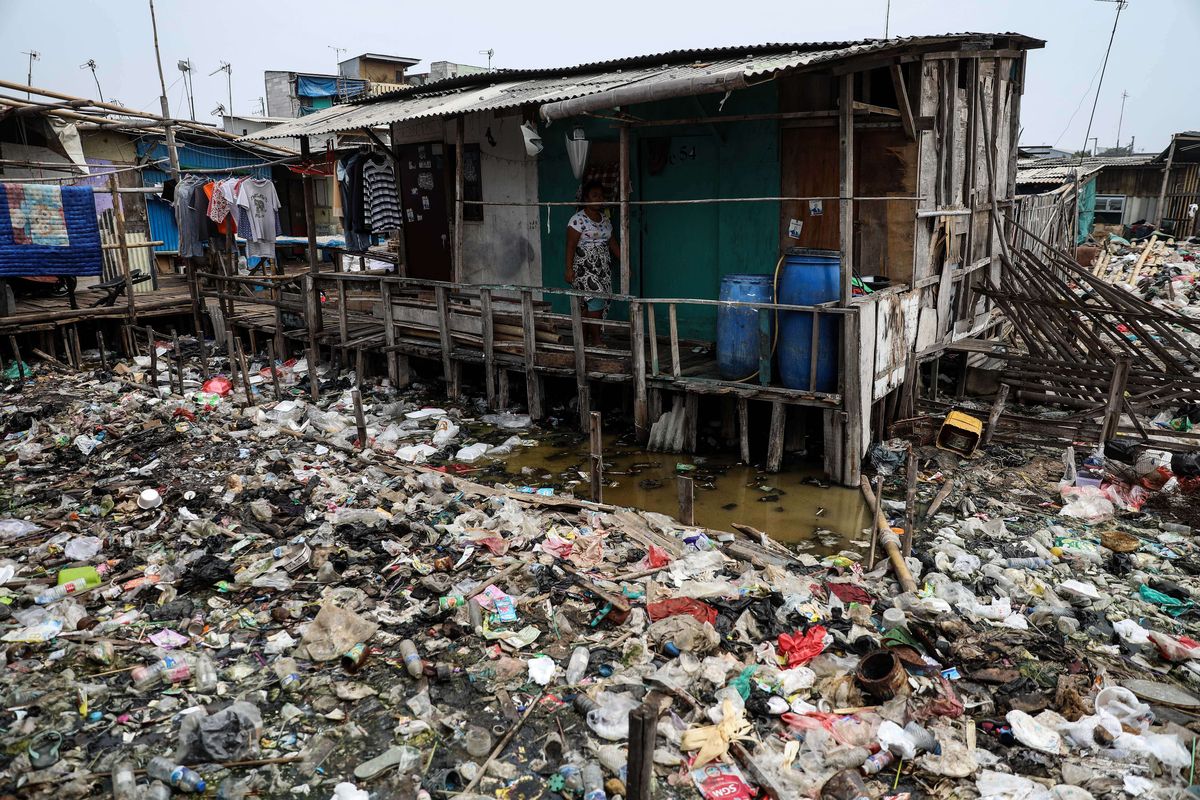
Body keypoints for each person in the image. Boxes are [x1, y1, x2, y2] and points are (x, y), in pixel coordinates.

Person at [565, 180, 620, 345]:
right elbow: (570, 246)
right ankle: (596, 340)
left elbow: (613, 244)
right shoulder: (577, 220)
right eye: (594, 195)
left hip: (603, 267)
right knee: (595, 301)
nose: (599, 198)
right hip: (584, 268)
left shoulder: (605, 220)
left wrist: (625, 264)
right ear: (586, 199)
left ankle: (582, 340)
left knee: (591, 305)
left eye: (601, 196)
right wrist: (568, 269)